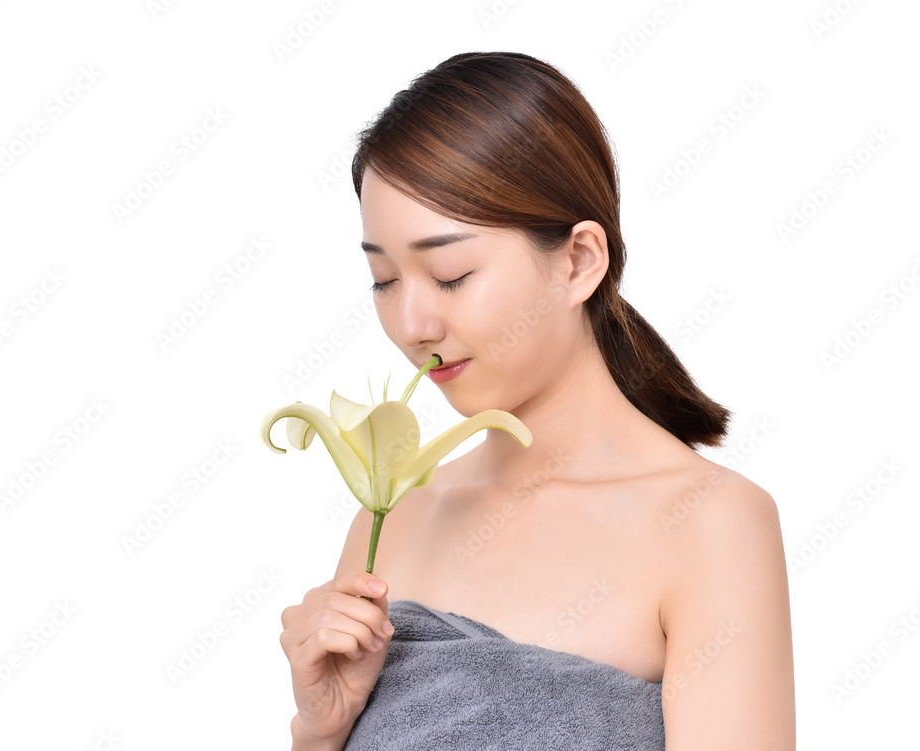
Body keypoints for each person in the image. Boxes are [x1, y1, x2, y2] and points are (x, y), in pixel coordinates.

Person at [279, 51, 795, 750]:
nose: (411, 325)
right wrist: (321, 728)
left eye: (452, 275)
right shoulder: (396, 518)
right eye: (383, 279)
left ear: (579, 260)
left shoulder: (710, 524)